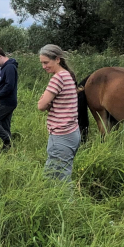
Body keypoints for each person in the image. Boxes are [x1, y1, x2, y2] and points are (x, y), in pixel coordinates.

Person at [36, 44, 81, 181]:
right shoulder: (68, 75)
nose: (44, 66)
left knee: (61, 177)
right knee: (50, 175)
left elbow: (41, 106)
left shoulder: (57, 78)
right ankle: (50, 201)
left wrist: (44, 100)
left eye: (46, 62)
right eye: (42, 63)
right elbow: (63, 104)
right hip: (72, 132)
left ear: (57, 59)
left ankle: (69, 202)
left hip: (61, 135)